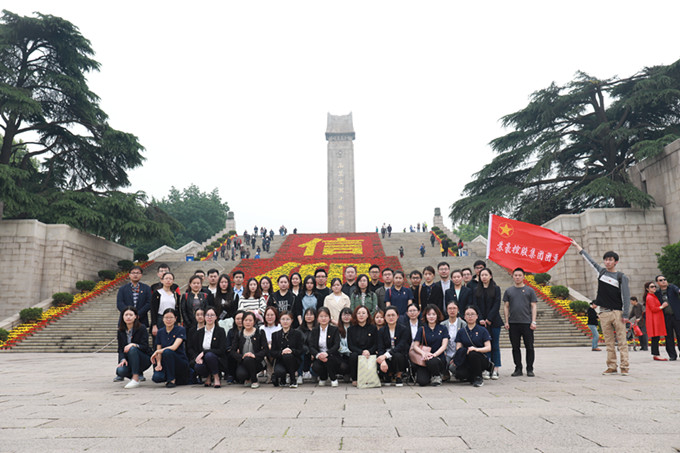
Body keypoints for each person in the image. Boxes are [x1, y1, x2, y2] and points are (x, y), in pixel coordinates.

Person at [573, 241, 631, 375]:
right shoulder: (602, 272)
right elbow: (590, 261)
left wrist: (626, 315)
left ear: (616, 261)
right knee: (609, 342)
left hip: (617, 313)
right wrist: (577, 247)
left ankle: (624, 366)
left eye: (610, 260)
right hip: (604, 313)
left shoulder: (621, 277)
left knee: (622, 342)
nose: (607, 262)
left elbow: (626, 296)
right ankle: (611, 366)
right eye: (606, 260)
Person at [503, 267, 537, 378]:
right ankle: (518, 368)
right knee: (515, 347)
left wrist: (533, 321)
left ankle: (530, 368)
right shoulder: (509, 291)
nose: (517, 277)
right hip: (513, 323)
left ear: (523, 277)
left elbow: (533, 306)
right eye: (515, 275)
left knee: (529, 347)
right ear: (512, 276)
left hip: (527, 323)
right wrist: (506, 321)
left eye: (519, 275)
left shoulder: (530, 290)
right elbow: (506, 307)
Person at [453, 305, 493, 387]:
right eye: (467, 314)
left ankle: (479, 377)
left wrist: (476, 349)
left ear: (477, 316)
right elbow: (458, 347)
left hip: (480, 358)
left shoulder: (482, 330)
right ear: (464, 317)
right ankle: (471, 376)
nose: (470, 316)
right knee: (460, 374)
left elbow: (488, 348)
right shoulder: (461, 331)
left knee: (473, 354)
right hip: (466, 358)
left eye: (472, 314)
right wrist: (466, 351)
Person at [410, 304, 449, 386]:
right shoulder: (422, 329)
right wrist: (423, 353)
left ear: (437, 315)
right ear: (425, 316)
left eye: (433, 314)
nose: (431, 317)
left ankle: (437, 376)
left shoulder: (443, 328)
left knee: (432, 361)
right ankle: (430, 375)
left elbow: (444, 345)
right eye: (429, 314)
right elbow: (415, 345)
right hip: (424, 359)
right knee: (422, 382)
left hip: (438, 358)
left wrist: (434, 354)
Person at [151, 308, 190, 387]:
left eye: (171, 317)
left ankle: (171, 380)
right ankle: (170, 376)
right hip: (166, 362)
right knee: (157, 378)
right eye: (166, 317)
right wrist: (158, 364)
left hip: (179, 361)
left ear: (175, 319)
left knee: (168, 351)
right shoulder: (160, 332)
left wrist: (158, 351)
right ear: (163, 319)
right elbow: (158, 348)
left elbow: (174, 347)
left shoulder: (180, 330)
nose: (168, 320)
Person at [474, 268, 502, 379]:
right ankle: (486, 368)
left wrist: (489, 318)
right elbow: (475, 305)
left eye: (486, 275)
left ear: (490, 276)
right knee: (484, 346)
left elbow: (497, 304)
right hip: (481, 323)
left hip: (494, 322)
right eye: (482, 275)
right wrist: (480, 318)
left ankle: (495, 369)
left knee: (495, 346)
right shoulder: (476, 290)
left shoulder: (496, 289)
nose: (484, 277)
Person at [190, 307, 228, 388]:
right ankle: (208, 376)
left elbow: (221, 350)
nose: (209, 317)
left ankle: (216, 377)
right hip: (203, 360)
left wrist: (204, 352)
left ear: (216, 317)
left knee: (209, 355)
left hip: (217, 359)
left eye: (212, 315)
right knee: (198, 366)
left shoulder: (220, 331)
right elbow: (192, 348)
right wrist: (197, 357)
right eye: (207, 315)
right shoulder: (199, 332)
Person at [115, 306, 152, 389]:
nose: (128, 317)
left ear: (136, 316)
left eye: (131, 315)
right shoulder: (121, 330)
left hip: (143, 358)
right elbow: (120, 348)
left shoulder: (141, 328)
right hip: (129, 359)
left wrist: (134, 345)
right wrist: (122, 359)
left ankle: (135, 378)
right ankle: (134, 375)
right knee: (120, 371)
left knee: (132, 349)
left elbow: (145, 346)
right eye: (126, 315)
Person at [231, 311, 268, 388]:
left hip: (257, 362)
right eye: (246, 320)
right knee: (241, 375)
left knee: (249, 359)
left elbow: (265, 349)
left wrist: (254, 355)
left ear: (254, 322)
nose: (248, 322)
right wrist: (242, 357)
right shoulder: (238, 334)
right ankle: (249, 377)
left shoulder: (260, 332)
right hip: (243, 361)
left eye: (250, 320)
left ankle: (254, 380)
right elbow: (233, 351)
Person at [377, 306, 410, 386]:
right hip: (386, 356)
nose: (391, 317)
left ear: (397, 316)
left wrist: (385, 355)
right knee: (380, 357)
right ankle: (388, 375)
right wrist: (383, 360)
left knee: (397, 356)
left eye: (393, 315)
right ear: (384, 317)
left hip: (400, 355)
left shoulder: (404, 329)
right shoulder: (382, 331)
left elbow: (401, 346)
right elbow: (380, 347)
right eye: (388, 315)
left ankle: (399, 376)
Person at [270, 311, 304, 388]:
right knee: (279, 371)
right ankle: (282, 379)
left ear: (292, 320)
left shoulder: (297, 334)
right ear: (279, 320)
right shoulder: (275, 335)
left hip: (294, 360)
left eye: (288, 319)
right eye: (283, 319)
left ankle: (293, 380)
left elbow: (301, 350)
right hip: (280, 361)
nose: (285, 321)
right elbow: (272, 352)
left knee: (288, 355)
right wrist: (281, 352)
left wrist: (291, 351)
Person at [308, 307, 341, 387]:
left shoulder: (334, 330)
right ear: (317, 318)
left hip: (332, 355)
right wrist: (318, 355)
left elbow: (336, 345)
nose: (323, 318)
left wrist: (327, 353)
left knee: (329, 360)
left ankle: (333, 378)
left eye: (326, 316)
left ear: (329, 318)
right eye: (321, 316)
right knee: (315, 366)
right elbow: (311, 346)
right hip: (319, 356)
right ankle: (323, 378)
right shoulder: (314, 330)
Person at [347, 305, 379, 386]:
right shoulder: (351, 329)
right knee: (353, 356)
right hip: (357, 352)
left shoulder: (373, 328)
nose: (361, 315)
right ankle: (354, 378)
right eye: (359, 313)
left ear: (368, 315)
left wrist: (369, 351)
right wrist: (362, 352)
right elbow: (350, 345)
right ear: (355, 315)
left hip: (370, 352)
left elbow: (376, 343)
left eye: (363, 313)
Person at [654, 275, 680, 361]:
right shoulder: (657, 293)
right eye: (661, 280)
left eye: (665, 279)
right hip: (665, 318)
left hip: (676, 316)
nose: (664, 281)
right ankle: (672, 355)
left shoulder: (672, 287)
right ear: (658, 283)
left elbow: (678, 290)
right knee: (668, 337)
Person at [150, 272, 181, 341]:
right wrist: (154, 325)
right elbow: (153, 309)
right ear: (162, 280)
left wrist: (178, 322)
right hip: (160, 319)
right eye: (166, 278)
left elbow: (178, 309)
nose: (168, 280)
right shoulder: (157, 293)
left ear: (173, 281)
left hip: (173, 320)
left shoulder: (175, 294)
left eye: (170, 279)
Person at [644, 281, 668, 360]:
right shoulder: (650, 297)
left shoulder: (652, 296)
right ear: (647, 289)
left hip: (656, 318)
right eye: (652, 287)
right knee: (655, 337)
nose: (654, 288)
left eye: (654, 286)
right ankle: (656, 354)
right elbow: (654, 309)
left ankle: (656, 354)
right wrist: (662, 306)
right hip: (654, 319)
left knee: (656, 337)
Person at [441, 301, 465, 376]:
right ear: (447, 310)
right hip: (446, 354)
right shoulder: (442, 325)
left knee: (460, 374)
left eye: (454, 308)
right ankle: (445, 373)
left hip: (458, 354)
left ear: (458, 310)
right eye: (450, 308)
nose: (452, 310)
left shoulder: (463, 324)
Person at [261, 306, 282, 383]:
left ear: (276, 316)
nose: (270, 317)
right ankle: (270, 374)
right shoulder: (261, 328)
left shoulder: (280, 327)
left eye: (272, 315)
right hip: (265, 351)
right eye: (267, 315)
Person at [297, 307, 317, 383]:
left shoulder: (318, 329)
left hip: (315, 354)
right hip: (305, 353)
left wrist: (314, 353)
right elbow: (299, 344)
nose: (309, 316)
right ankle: (299, 375)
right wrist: (309, 351)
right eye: (307, 314)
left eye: (311, 314)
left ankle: (315, 374)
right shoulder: (299, 330)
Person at [225, 310, 245, 383]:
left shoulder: (249, 330)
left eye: (242, 319)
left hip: (245, 353)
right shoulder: (231, 331)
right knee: (230, 354)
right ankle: (231, 375)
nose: (240, 321)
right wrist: (234, 350)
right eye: (237, 319)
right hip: (233, 354)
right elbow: (227, 346)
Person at [336, 307, 353, 380]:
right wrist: (348, 350)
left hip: (353, 354)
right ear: (340, 317)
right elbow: (338, 345)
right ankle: (345, 373)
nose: (346, 317)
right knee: (343, 366)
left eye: (348, 315)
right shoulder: (336, 330)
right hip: (342, 355)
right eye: (344, 315)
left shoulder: (355, 328)